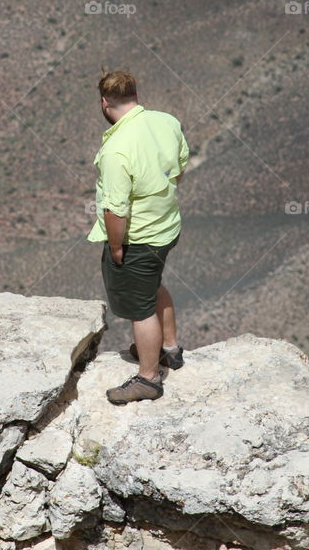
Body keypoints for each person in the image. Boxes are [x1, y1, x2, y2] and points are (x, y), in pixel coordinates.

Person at [87, 69, 190, 405]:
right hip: (166, 227)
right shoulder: (167, 121)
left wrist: (117, 247)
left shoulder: (117, 149)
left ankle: (148, 379)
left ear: (104, 103)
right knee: (153, 284)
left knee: (140, 307)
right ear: (135, 94)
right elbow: (180, 166)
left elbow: (115, 210)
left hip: (139, 237)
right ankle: (169, 349)